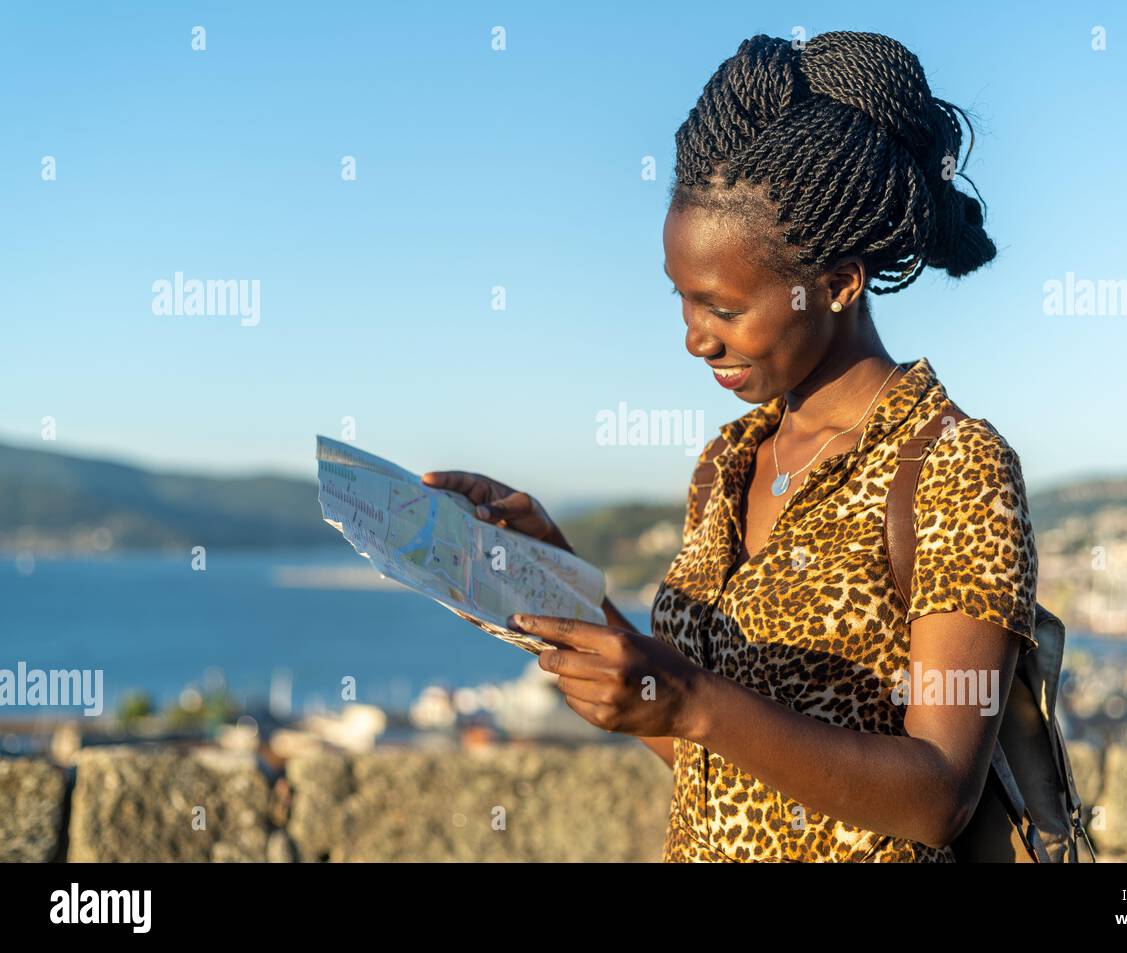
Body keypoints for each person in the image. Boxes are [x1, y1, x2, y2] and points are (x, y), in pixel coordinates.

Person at [423, 31, 1037, 863]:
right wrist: (561, 583)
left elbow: (940, 793)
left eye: (721, 306)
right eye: (681, 300)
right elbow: (710, 748)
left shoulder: (955, 466)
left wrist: (682, 698)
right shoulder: (727, 464)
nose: (694, 340)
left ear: (838, 282)